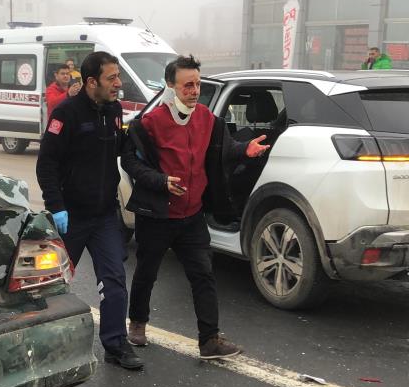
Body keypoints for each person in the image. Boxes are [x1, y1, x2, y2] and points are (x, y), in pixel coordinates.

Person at [120, 54, 269, 359]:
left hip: (192, 216)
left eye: (198, 84)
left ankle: (209, 340)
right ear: (170, 86)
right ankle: (137, 323)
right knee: (147, 272)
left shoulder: (208, 120)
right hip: (158, 215)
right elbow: (130, 161)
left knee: (203, 275)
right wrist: (161, 181)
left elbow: (225, 151)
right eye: (187, 85)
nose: (194, 90)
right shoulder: (149, 123)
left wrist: (246, 150)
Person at [36, 51, 143, 370]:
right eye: (112, 78)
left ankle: (115, 344)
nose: (118, 83)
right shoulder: (66, 113)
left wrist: (139, 140)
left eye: (118, 77)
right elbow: (47, 164)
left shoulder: (113, 110)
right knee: (52, 283)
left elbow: (120, 149)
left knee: (113, 281)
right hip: (71, 217)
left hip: (104, 216)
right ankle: (41, 345)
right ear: (92, 81)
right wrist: (56, 207)